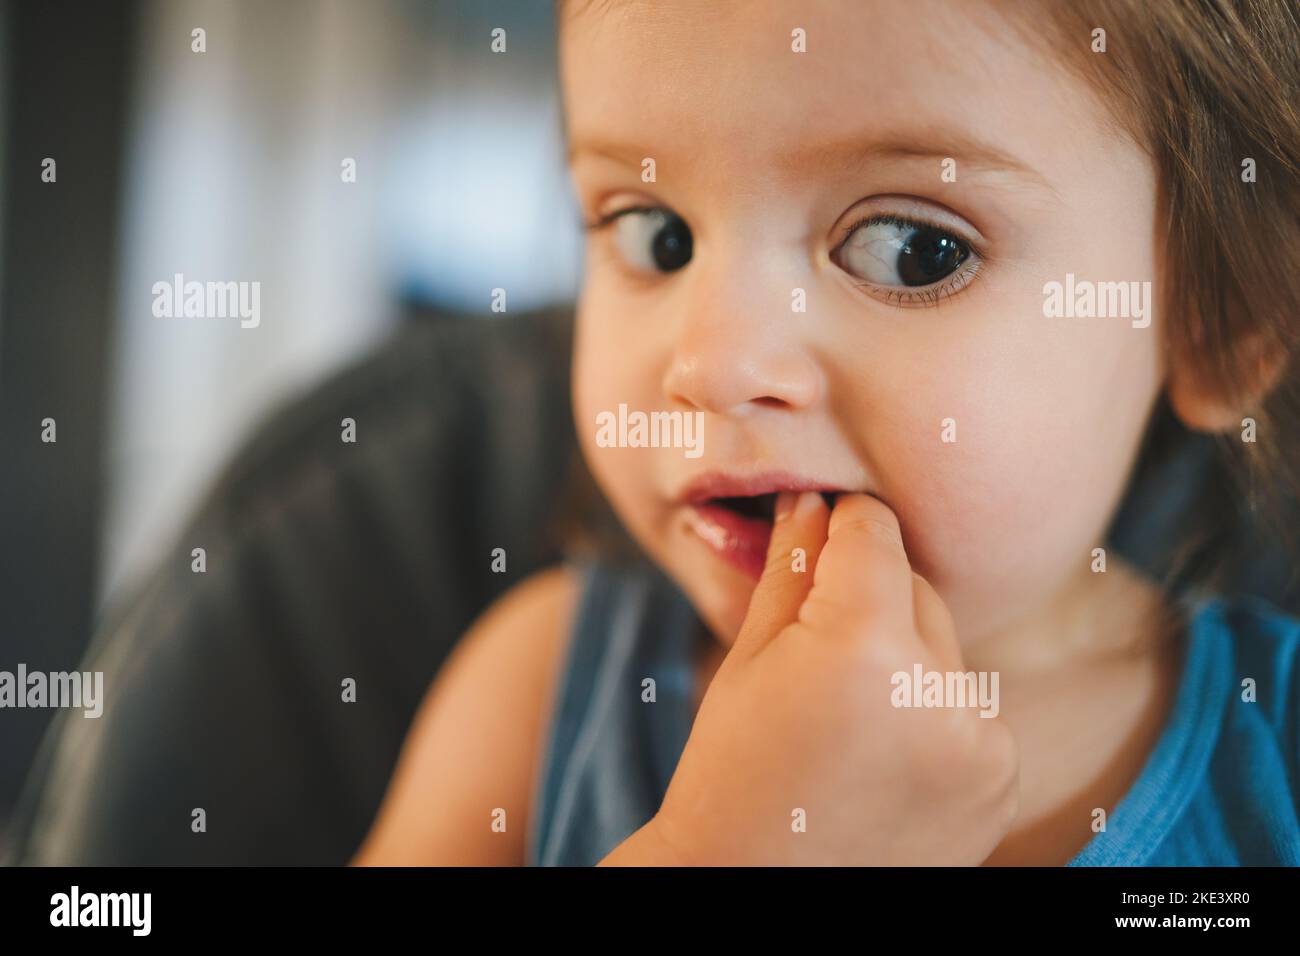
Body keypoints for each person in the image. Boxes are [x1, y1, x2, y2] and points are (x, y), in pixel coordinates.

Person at [351, 0, 1300, 866]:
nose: (711, 367)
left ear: (1221, 324)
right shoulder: (535, 693)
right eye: (656, 234)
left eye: (912, 249)